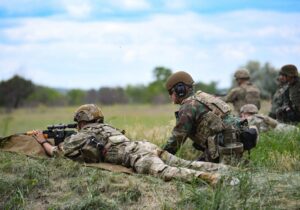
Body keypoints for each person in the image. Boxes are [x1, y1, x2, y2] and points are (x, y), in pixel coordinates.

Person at [32, 104, 232, 186]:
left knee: (167, 172)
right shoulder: (107, 128)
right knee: (184, 162)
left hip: (137, 157)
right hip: (145, 146)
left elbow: (57, 153)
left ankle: (214, 179)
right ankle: (228, 170)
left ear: (81, 121)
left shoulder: (82, 134)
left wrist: (42, 141)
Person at [163, 71, 257, 164]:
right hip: (233, 144)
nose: (170, 96)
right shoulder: (203, 97)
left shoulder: (188, 106)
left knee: (193, 172)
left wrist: (162, 156)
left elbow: (178, 137)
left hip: (223, 149)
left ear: (180, 90)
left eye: (171, 92)